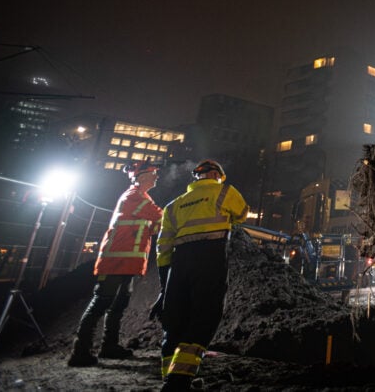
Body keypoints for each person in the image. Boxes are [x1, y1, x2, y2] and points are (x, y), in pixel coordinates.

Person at [153, 159, 249, 391]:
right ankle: (180, 380)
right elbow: (242, 214)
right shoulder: (224, 190)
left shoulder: (173, 205)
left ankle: (170, 375)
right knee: (204, 316)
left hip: (178, 263)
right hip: (210, 258)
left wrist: (165, 280)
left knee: (175, 320)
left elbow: (162, 247)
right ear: (216, 174)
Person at [67, 161, 163, 367]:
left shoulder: (142, 198)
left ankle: (109, 346)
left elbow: (154, 226)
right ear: (143, 177)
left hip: (128, 262)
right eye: (153, 173)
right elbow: (159, 217)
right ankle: (80, 352)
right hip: (116, 261)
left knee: (118, 305)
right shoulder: (133, 196)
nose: (156, 176)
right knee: (101, 303)